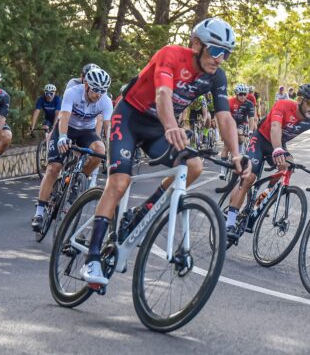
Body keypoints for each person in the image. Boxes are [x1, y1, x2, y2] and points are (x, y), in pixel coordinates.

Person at [79, 17, 251, 285]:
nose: (220, 59)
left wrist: (237, 154)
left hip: (159, 127)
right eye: (216, 50)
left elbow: (225, 117)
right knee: (120, 181)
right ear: (197, 44)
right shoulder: (170, 55)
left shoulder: (216, 77)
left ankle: (142, 211)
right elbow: (162, 95)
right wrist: (172, 126)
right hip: (129, 118)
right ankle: (92, 259)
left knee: (194, 166)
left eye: (226, 54)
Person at [226, 83, 310, 244]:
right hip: (261, 139)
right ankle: (230, 222)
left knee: (288, 165)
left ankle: (263, 198)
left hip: (279, 143)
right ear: (300, 100)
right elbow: (275, 127)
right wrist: (277, 150)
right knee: (249, 178)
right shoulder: (283, 105)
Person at [31, 67, 113, 232]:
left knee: (100, 150)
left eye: (103, 91)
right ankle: (39, 212)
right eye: (96, 89)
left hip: (86, 132)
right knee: (54, 168)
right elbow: (65, 116)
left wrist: (112, 153)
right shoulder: (73, 92)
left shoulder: (105, 101)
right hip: (66, 128)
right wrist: (62, 137)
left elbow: (108, 127)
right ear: (86, 85)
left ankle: (76, 181)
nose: (99, 94)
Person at [219, 83, 256, 179]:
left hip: (242, 124)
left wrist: (251, 131)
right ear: (236, 94)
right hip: (230, 123)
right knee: (226, 146)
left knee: (240, 135)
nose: (243, 96)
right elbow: (223, 117)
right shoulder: (230, 102)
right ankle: (223, 169)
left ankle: (238, 156)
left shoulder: (249, 104)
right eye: (241, 94)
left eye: (245, 94)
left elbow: (251, 119)